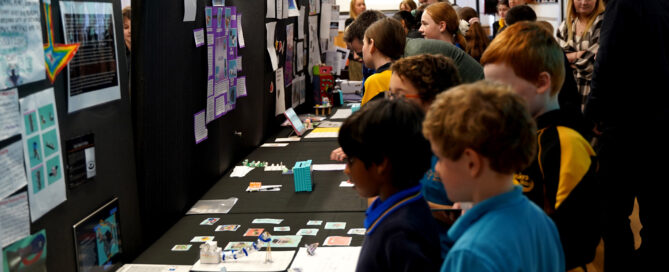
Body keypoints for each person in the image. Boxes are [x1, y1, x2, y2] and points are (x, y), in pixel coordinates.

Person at [481, 21, 600, 271]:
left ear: (541, 83)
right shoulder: (511, 135)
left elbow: (578, 243)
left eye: (500, 88)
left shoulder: (567, 145)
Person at [423, 81, 565, 272]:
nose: (437, 169)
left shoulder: (470, 254)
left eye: (440, 159)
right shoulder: (542, 222)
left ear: (472, 163)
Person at [586, 0, 669, 271]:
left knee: (612, 214)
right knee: (657, 214)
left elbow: (607, 57)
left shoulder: (623, 3)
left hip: (625, 121)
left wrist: (593, 112)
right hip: (661, 122)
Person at [340, 99, 442, 272]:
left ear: (381, 163)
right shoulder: (402, 208)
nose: (346, 170)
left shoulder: (400, 234)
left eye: (351, 160)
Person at [389, 54, 461, 258]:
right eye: (390, 95)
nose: (391, 104)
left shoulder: (457, 150)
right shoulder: (411, 139)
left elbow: (468, 214)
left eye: (400, 96)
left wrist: (401, 203)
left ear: (433, 100)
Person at [556, 0, 605, 112]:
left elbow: (595, 65)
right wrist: (580, 55)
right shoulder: (566, 25)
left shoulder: (604, 23)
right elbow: (557, 61)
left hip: (595, 96)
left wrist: (568, 59)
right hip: (568, 96)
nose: (584, 2)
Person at [359, 18, 405, 106]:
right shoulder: (405, 75)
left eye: (364, 43)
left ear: (372, 45)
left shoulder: (374, 81)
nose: (362, 49)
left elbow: (366, 118)